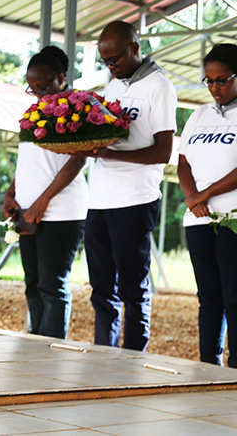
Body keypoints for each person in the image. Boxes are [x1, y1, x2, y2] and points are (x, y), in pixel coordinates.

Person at [178, 44, 237, 371]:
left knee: (236, 296)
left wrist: (202, 195)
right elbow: (183, 164)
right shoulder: (199, 115)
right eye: (208, 81)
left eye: (222, 80)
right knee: (208, 296)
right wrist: (193, 198)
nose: (214, 87)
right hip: (200, 218)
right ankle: (208, 365)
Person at [85, 20, 177, 351]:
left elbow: (164, 151)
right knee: (100, 286)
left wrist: (112, 153)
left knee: (132, 287)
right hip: (100, 198)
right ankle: (103, 354)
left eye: (115, 59)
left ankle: (132, 358)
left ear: (135, 48)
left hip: (135, 199)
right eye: (105, 61)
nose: (110, 67)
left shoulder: (159, 85)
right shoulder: (113, 86)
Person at [1, 46, 87, 340]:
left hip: (61, 211)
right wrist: (11, 193)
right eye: (32, 88)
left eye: (43, 87)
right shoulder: (33, 112)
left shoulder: (77, 110)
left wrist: (43, 201)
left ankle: (50, 352)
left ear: (61, 78)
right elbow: (27, 159)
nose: (38, 94)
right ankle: (33, 347)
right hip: (27, 209)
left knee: (52, 286)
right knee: (33, 284)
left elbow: (77, 160)